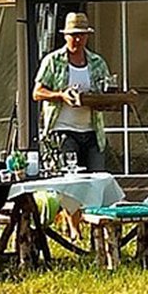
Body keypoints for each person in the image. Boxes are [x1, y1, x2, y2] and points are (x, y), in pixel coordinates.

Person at [32, 11, 113, 173]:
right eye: (74, 35)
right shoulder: (53, 61)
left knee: (97, 178)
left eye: (82, 35)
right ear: (65, 36)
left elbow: (106, 92)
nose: (78, 40)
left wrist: (107, 100)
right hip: (63, 131)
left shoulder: (97, 62)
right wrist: (61, 95)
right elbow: (37, 93)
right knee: (69, 178)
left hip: (93, 132)